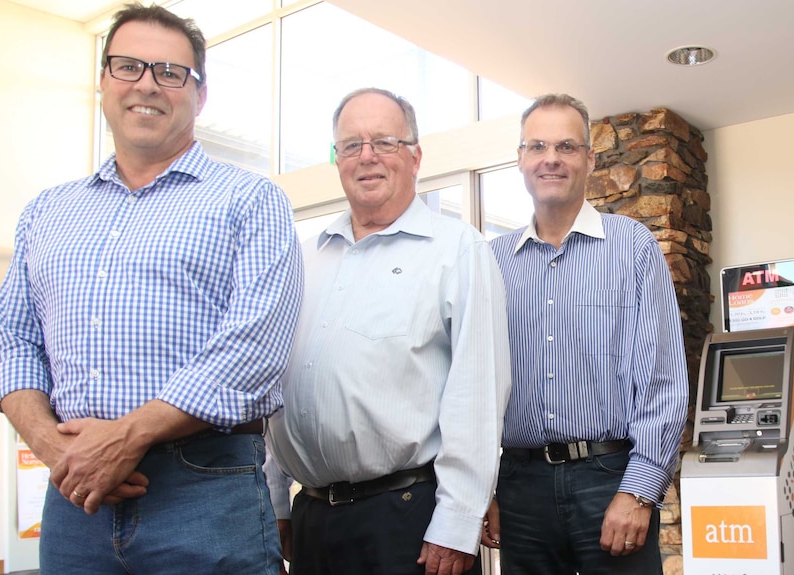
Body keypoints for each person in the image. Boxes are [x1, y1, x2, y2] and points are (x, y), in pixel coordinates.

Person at [0, 4, 303, 574]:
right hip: (73, 497)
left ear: (199, 95)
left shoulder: (251, 201)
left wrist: (125, 436)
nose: (148, 86)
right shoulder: (47, 212)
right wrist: (54, 447)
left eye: (170, 73)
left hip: (204, 491)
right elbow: (12, 343)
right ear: (104, 81)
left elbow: (254, 350)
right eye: (129, 66)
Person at [265, 87, 511, 575]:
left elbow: (477, 395)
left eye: (384, 142)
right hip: (311, 517)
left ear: (415, 156)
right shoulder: (302, 258)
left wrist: (457, 521)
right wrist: (276, 502)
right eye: (351, 145)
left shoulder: (457, 249)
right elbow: (274, 386)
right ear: (337, 160)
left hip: (409, 521)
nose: (367, 157)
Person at [482, 93, 688, 574]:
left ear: (590, 159)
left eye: (566, 146)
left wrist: (639, 490)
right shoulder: (492, 263)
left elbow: (662, 380)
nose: (550, 158)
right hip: (520, 485)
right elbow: (479, 389)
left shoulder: (632, 246)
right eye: (537, 146)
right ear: (520, 159)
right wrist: (485, 489)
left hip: (610, 479)